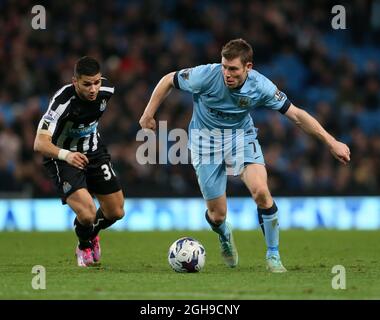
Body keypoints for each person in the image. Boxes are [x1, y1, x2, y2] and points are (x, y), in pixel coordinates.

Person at [139, 39, 351, 272]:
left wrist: (331, 142)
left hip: (241, 139)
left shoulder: (261, 86)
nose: (226, 74)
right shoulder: (205, 75)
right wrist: (148, 114)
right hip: (204, 143)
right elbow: (168, 79)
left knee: (261, 191)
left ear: (248, 67)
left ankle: (273, 256)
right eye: (224, 67)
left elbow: (297, 116)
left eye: (233, 69)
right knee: (217, 215)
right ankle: (224, 234)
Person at [34, 56, 125, 267]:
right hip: (63, 157)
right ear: (75, 81)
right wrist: (67, 155)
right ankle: (84, 245)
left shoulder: (107, 91)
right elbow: (39, 143)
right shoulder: (61, 103)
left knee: (116, 212)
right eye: (86, 84)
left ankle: (92, 234)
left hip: (94, 153)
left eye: (96, 82)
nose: (93, 89)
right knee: (87, 214)